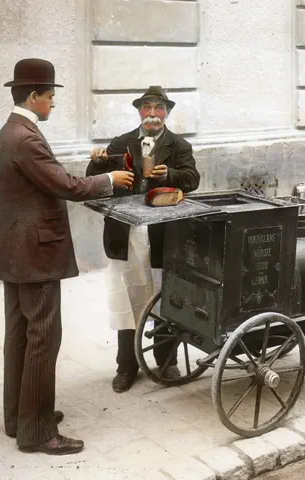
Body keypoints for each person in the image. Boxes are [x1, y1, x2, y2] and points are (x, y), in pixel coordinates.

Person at [0, 58, 134, 455]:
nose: (53, 103)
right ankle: (36, 432)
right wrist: (107, 179)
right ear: (33, 97)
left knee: (19, 333)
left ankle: (19, 416)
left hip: (12, 249)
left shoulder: (8, 133)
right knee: (43, 337)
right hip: (34, 252)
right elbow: (66, 185)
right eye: (50, 97)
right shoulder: (27, 138)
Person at [86, 86, 200, 393]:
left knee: (165, 297)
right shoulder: (121, 143)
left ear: (167, 112)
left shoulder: (178, 145)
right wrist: (98, 161)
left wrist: (169, 176)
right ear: (139, 111)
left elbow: (193, 179)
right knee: (127, 299)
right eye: (147, 107)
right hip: (126, 234)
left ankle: (166, 362)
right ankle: (127, 367)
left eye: (158, 108)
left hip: (164, 236)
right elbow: (91, 179)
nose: (152, 113)